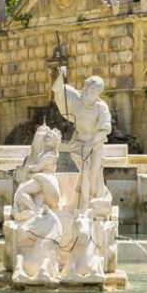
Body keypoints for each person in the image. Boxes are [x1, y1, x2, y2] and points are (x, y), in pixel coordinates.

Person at [52, 66, 111, 212]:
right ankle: (84, 203)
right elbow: (57, 90)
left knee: (94, 173)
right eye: (86, 89)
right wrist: (61, 75)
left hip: (95, 144)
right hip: (78, 144)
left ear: (97, 94)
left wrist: (92, 142)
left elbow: (105, 130)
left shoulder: (101, 107)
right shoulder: (75, 97)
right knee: (85, 171)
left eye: (92, 92)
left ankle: (94, 200)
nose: (87, 93)